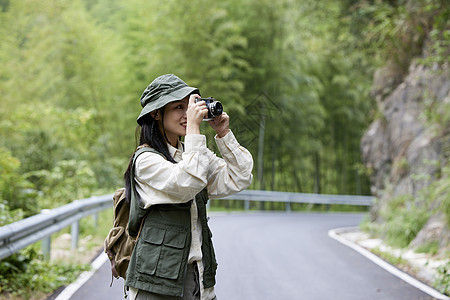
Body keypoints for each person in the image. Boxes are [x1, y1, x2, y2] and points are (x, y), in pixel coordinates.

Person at [124, 74, 253, 300]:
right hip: (157, 285)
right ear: (156, 113)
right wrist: (194, 130)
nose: (187, 114)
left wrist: (223, 133)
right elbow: (187, 183)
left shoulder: (194, 155)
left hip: (199, 276)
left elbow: (240, 177)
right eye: (178, 107)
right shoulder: (145, 161)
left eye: (190, 106)